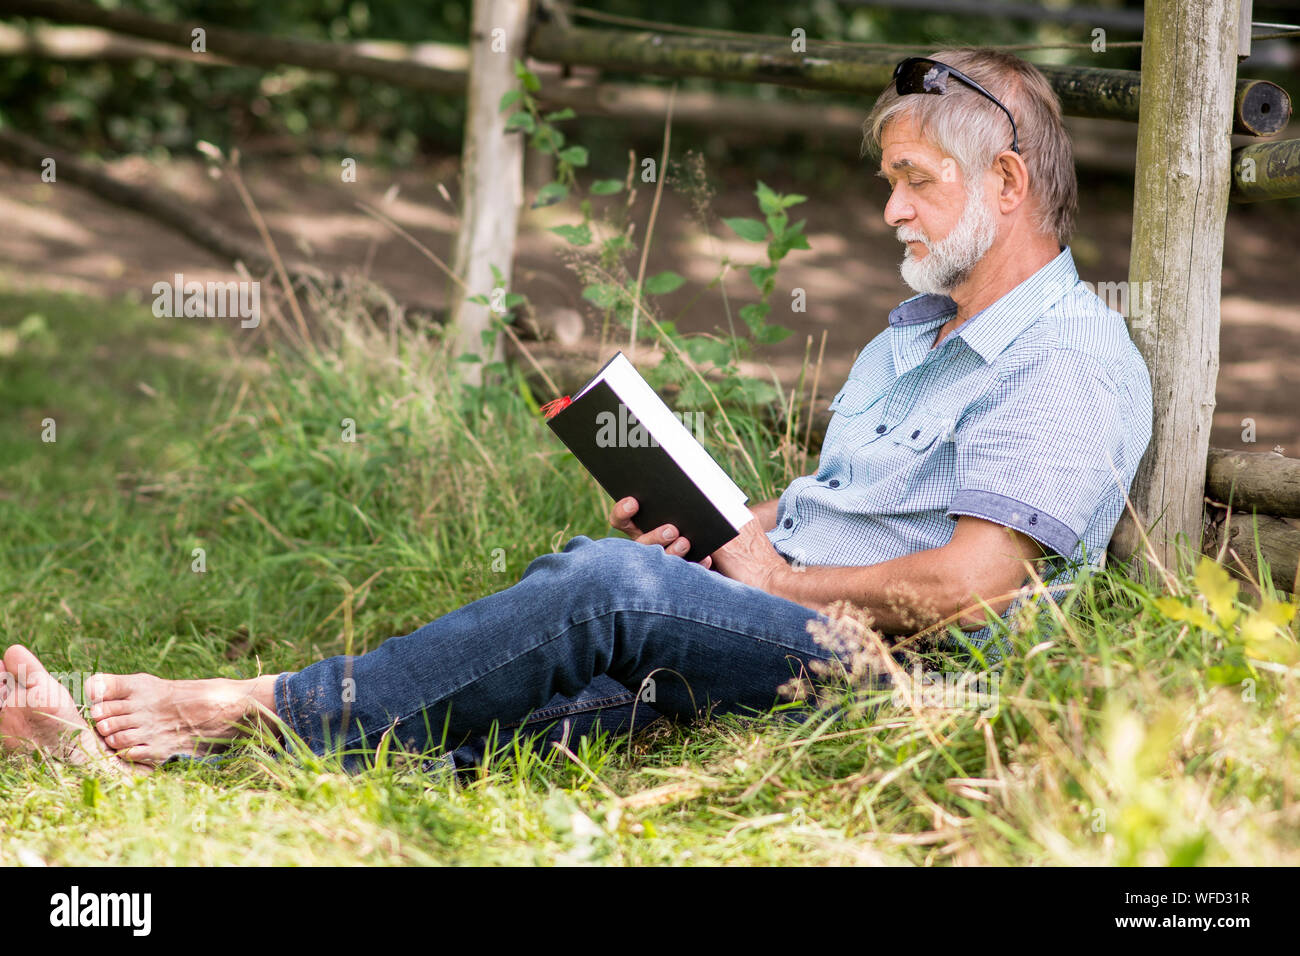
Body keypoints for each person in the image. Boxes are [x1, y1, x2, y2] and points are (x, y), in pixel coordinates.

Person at [0, 48, 1152, 776]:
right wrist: (716, 524)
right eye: (889, 177)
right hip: (782, 607)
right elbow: (834, 508)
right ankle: (125, 760)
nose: (890, 208)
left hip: (897, 665)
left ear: (1006, 183)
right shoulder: (911, 337)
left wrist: (767, 580)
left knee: (606, 591)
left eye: (917, 180)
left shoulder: (1066, 353)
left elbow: (972, 585)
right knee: (560, 670)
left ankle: (244, 701)